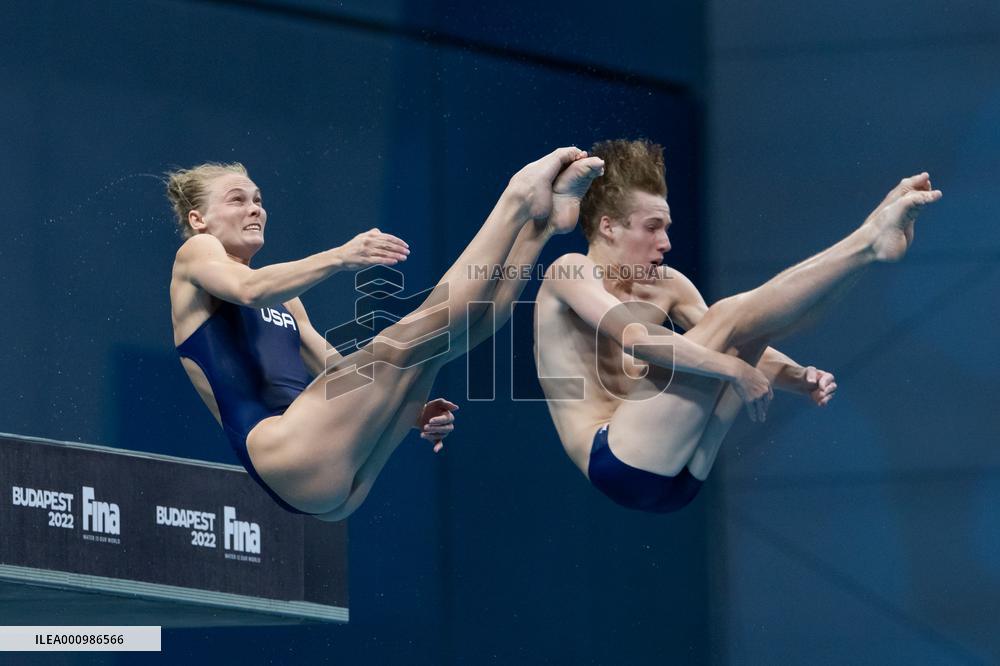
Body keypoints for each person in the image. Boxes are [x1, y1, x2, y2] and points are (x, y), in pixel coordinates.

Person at [168, 147, 605, 519]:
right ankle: (517, 197)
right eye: (237, 200)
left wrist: (407, 406)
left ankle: (540, 226)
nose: (255, 208)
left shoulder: (288, 303)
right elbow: (249, 289)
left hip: (330, 482)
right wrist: (340, 256)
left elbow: (339, 372)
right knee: (409, 338)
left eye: (258, 199)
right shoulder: (195, 255)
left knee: (441, 344)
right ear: (199, 219)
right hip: (282, 451)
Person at [533, 139, 941, 512]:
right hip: (615, 459)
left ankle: (869, 251)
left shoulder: (667, 285)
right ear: (608, 226)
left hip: (681, 473)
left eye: (667, 228)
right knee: (728, 319)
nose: (666, 243)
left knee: (755, 328)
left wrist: (801, 378)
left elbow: (747, 328)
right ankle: (869, 239)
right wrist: (736, 370)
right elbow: (636, 339)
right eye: (652, 227)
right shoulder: (570, 272)